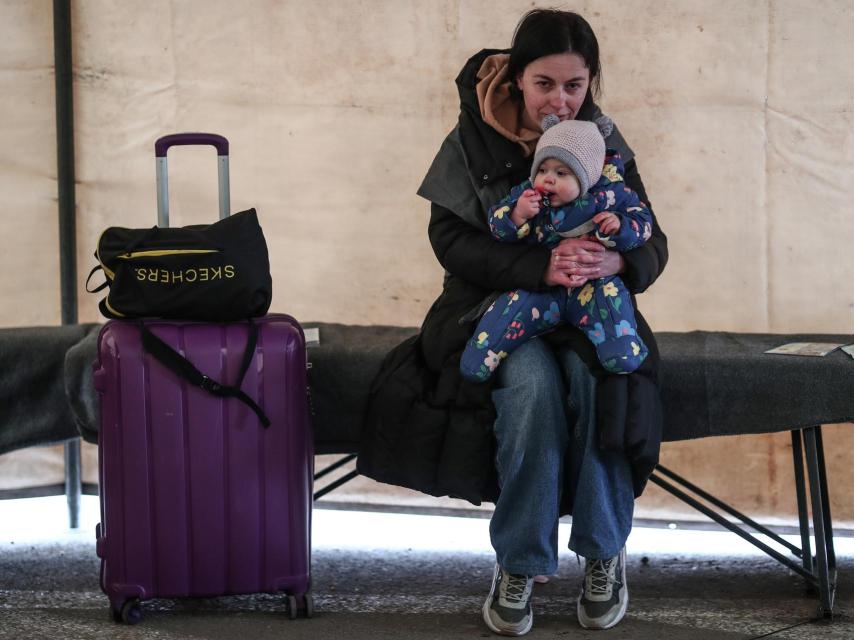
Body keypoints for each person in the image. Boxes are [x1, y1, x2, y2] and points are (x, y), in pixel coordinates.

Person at [357, 8, 668, 635]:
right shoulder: (472, 137)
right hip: (491, 308)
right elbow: (450, 241)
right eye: (544, 83)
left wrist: (619, 257)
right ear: (517, 80)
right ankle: (520, 563)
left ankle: (604, 552)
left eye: (574, 86)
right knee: (531, 394)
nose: (560, 99)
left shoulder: (601, 136)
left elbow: (652, 239)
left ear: (590, 84)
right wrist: (540, 267)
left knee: (602, 389)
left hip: (587, 313)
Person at [460, 116, 653, 383]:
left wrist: (619, 227)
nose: (548, 180)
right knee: (511, 309)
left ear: (588, 175)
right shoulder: (527, 194)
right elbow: (496, 224)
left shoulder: (612, 195)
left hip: (593, 286)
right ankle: (480, 356)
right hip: (543, 287)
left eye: (561, 173)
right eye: (543, 170)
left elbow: (644, 224)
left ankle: (622, 353)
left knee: (613, 308)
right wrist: (517, 214)